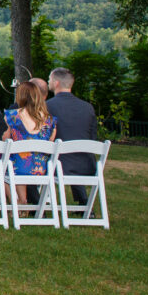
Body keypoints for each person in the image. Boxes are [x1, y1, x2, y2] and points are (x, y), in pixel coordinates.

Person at [46, 67, 97, 205]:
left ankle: (36, 204)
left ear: (56, 83)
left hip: (57, 165)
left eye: (49, 79)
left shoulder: (47, 106)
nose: (48, 81)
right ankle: (84, 202)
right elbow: (93, 138)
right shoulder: (87, 107)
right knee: (74, 152)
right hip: (87, 165)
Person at [3, 80, 57, 208]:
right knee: (20, 161)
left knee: (0, 166)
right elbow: (49, 143)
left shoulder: (12, 117)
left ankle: (18, 202)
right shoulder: (49, 121)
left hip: (17, 168)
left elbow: (5, 141)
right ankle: (22, 201)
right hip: (40, 169)